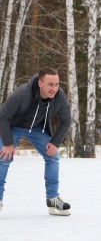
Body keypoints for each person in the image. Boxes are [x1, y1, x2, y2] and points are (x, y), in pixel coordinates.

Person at [0, 67, 72, 216]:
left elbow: (66, 121)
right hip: (15, 126)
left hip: (37, 128)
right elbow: (3, 116)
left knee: (53, 156)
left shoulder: (59, 96)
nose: (54, 89)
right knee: (4, 157)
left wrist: (55, 142)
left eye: (57, 84)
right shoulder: (23, 93)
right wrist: (7, 143)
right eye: (50, 84)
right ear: (40, 83)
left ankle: (53, 199)